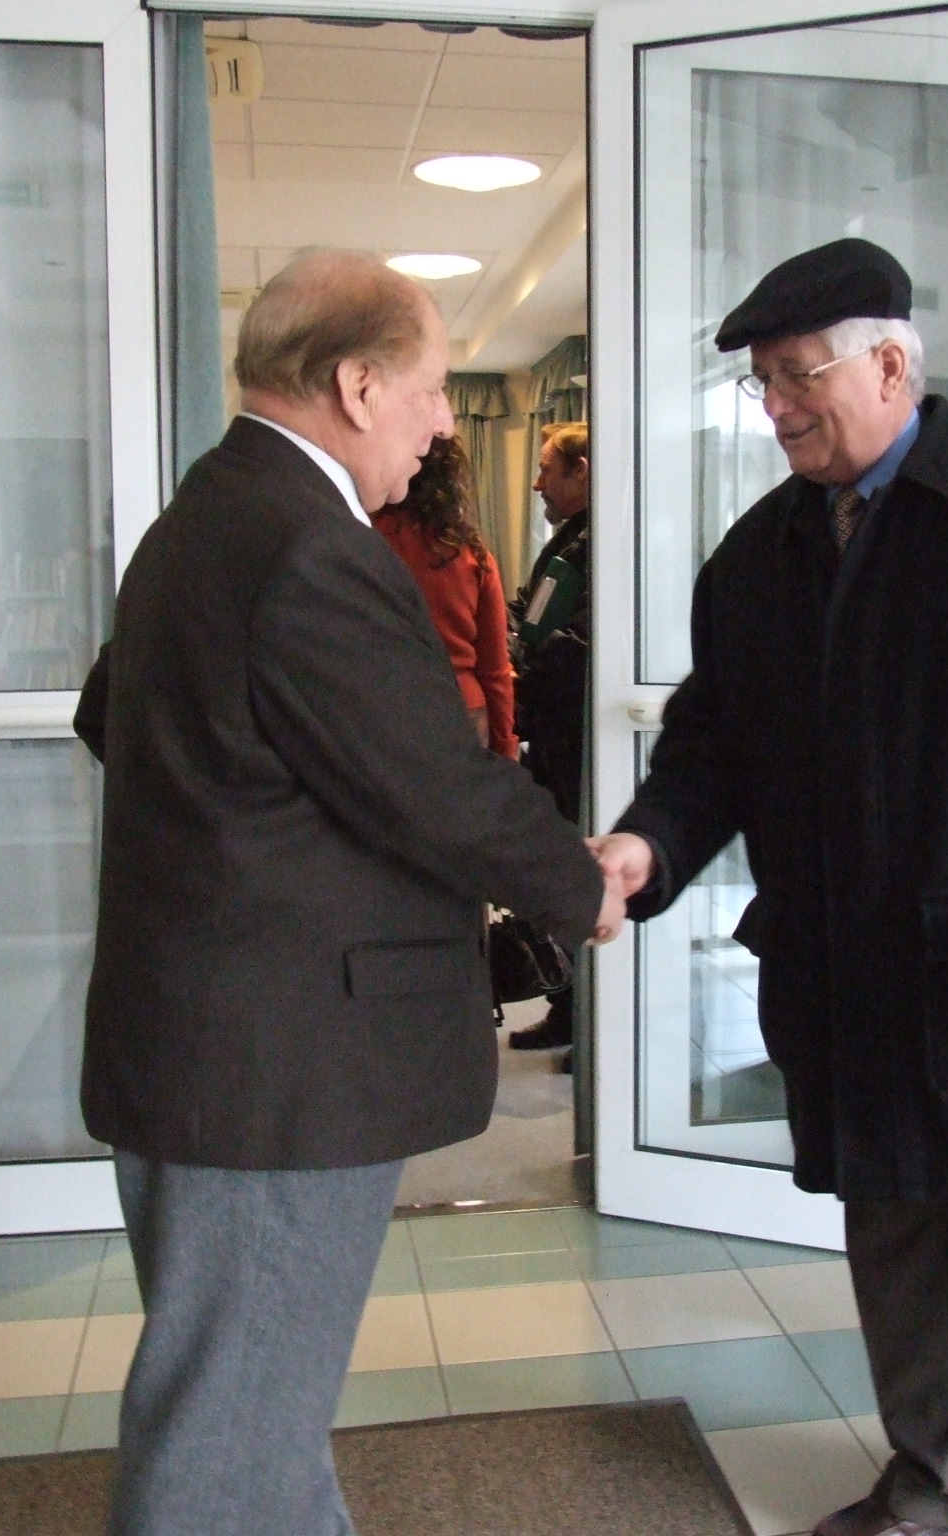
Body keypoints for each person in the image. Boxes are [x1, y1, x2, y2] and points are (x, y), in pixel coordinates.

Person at [592, 238, 948, 1536]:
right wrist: (647, 848)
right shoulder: (757, 557)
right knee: (896, 1232)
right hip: (845, 960)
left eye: (799, 376)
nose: (777, 409)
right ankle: (937, 1481)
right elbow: (710, 750)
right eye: (763, 384)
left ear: (892, 365)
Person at [73, 248, 617, 1536]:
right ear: (359, 386)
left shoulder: (204, 519)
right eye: (430, 391)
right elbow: (433, 787)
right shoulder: (311, 547)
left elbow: (112, 718)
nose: (440, 426)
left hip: (210, 1054)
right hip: (274, 1073)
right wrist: (579, 882)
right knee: (227, 1445)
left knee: (254, 1412)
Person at [507, 421, 593, 1052]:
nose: (537, 484)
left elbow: (580, 645)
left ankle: (583, 1020)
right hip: (554, 734)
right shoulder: (569, 541)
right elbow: (533, 611)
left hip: (580, 739)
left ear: (580, 470)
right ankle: (567, 1010)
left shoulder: (604, 546)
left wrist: (523, 664)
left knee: (572, 873)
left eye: (546, 470)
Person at [374, 435, 517, 756]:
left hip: (386, 705)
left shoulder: (363, 542)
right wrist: (505, 746)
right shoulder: (473, 556)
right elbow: (495, 669)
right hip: (463, 708)